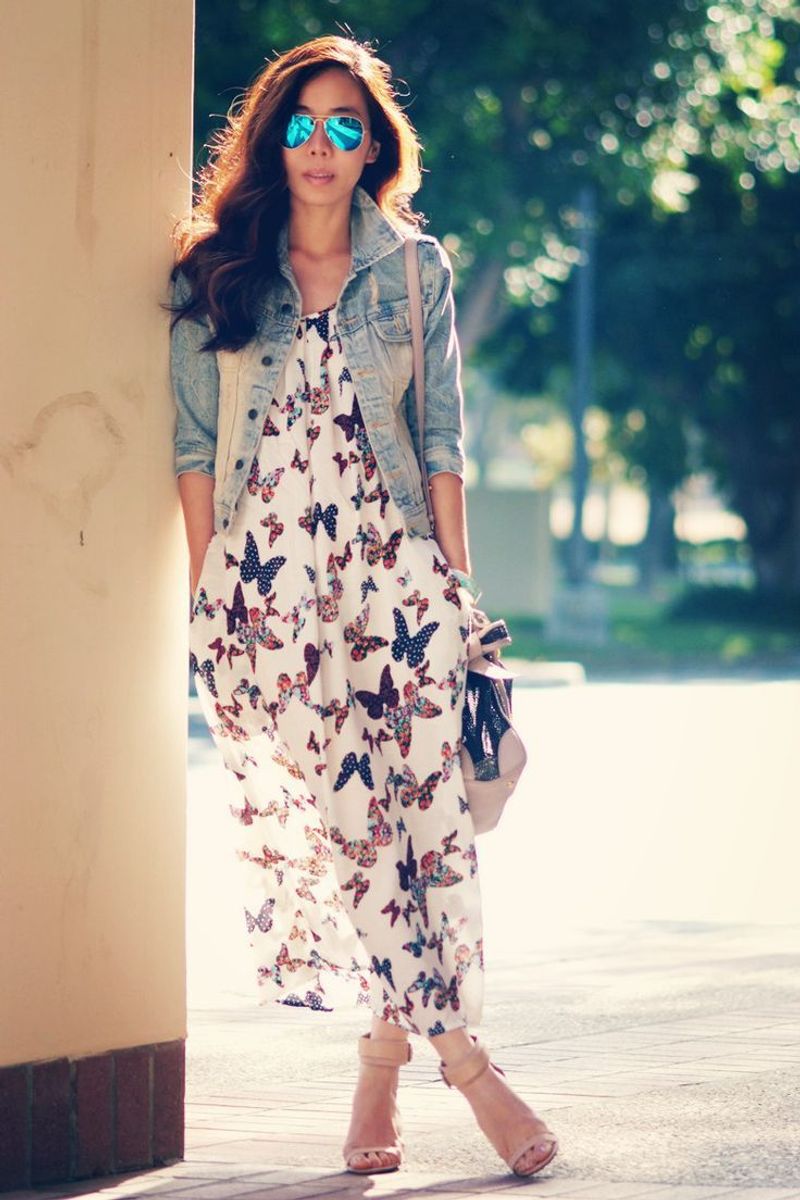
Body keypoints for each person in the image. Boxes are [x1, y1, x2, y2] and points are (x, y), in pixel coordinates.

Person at [166, 32, 558, 1180]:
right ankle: (469, 1070)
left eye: (347, 124)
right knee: (355, 837)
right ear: (270, 139)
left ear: (374, 143)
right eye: (301, 123)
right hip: (269, 599)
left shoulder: (414, 270)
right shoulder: (218, 274)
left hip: (396, 587)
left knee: (419, 834)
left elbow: (440, 441)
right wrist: (208, 604)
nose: (323, 146)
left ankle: (378, 1082)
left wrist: (457, 596)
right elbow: (195, 450)